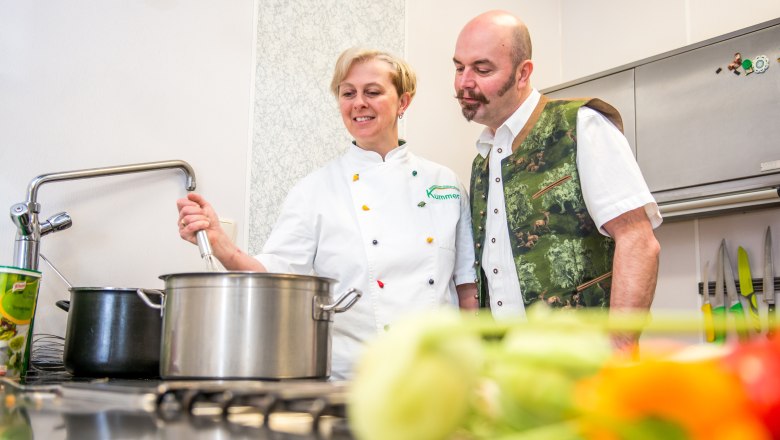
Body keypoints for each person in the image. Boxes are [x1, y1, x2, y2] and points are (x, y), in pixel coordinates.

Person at [178, 48, 478, 379]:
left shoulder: (445, 183)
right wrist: (221, 244)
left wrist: (475, 370)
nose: (358, 103)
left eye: (373, 92)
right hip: (355, 378)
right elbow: (273, 273)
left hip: (442, 376)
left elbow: (467, 289)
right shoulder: (314, 190)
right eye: (348, 93)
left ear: (403, 102)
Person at [453, 10, 662, 349]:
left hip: (584, 364)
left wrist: (619, 352)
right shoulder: (482, 163)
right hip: (508, 371)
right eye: (459, 67)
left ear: (523, 73)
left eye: (482, 68)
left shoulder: (580, 125)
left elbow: (639, 242)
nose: (464, 82)